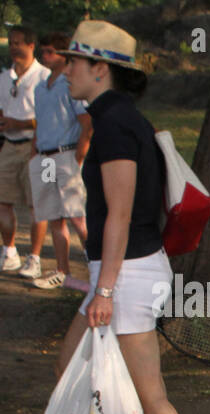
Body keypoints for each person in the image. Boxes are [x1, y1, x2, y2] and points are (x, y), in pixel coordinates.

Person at [0, 21, 208, 414]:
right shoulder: (112, 117)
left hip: (128, 277)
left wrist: (106, 291)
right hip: (121, 273)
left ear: (101, 69)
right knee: (68, 365)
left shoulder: (116, 125)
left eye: (73, 61)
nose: (64, 68)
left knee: (150, 394)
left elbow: (118, 215)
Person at [28, 32, 92, 292]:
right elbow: (40, 122)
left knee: (77, 217)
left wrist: (78, 156)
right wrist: (34, 150)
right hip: (44, 157)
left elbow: (86, 123)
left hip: (65, 154)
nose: (45, 56)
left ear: (64, 55)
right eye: (43, 51)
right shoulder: (41, 87)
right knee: (54, 216)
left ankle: (97, 266)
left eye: (50, 52)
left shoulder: (71, 84)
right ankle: (62, 270)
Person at [0, 26, 50, 278]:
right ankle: (9, 251)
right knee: (2, 201)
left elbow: (49, 118)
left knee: (37, 205)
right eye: (11, 43)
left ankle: (35, 257)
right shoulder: (4, 76)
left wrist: (19, 123)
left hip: (36, 147)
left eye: (18, 43)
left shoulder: (44, 77)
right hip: (9, 145)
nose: (13, 47)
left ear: (32, 46)